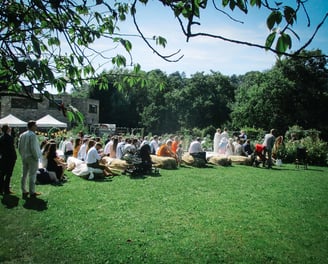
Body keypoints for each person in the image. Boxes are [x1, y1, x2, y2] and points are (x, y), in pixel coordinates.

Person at [18, 120, 42, 198]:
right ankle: (32, 192)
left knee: (24, 174)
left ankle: (24, 190)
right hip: (32, 157)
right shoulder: (32, 135)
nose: (36, 127)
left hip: (25, 156)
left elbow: (19, 147)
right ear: (32, 126)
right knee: (32, 174)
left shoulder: (22, 135)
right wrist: (36, 157)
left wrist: (22, 155)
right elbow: (33, 148)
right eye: (35, 125)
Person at [0, 124, 17, 195]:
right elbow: (11, 149)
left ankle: (1, 189)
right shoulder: (10, 138)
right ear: (7, 129)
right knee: (8, 174)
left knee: (2, 173)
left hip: (3, 157)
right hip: (10, 158)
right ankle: (6, 189)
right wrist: (15, 156)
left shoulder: (1, 138)